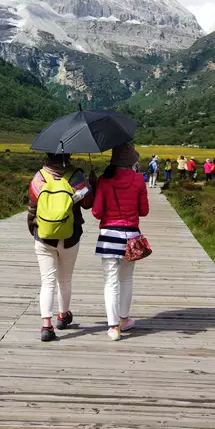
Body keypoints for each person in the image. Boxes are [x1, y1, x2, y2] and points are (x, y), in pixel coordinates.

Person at [28, 153, 95, 342]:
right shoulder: (76, 176)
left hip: (43, 237)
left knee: (47, 280)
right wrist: (92, 184)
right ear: (68, 155)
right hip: (70, 236)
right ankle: (63, 315)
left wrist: (35, 232)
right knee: (64, 280)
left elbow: (32, 207)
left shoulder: (39, 177)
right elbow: (88, 204)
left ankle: (46, 325)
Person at [92, 143, 149, 341]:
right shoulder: (139, 180)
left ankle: (113, 327)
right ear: (132, 160)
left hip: (108, 237)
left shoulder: (104, 180)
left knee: (110, 283)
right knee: (126, 280)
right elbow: (144, 211)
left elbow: (97, 212)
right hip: (131, 236)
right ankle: (124, 319)